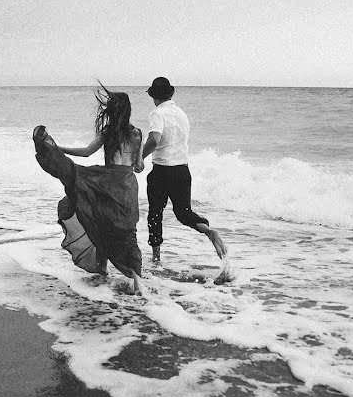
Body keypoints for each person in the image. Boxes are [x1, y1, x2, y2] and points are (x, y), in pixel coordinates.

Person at [32, 85, 145, 295]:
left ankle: (102, 271)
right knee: (129, 232)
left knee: (98, 221)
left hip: (104, 183)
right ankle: (139, 283)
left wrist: (57, 149)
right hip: (127, 186)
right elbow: (139, 166)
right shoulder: (137, 133)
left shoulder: (107, 132)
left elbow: (85, 153)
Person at [142, 77, 231, 279]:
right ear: (171, 94)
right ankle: (209, 231)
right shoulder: (182, 114)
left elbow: (154, 140)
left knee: (155, 213)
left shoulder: (157, 113)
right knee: (184, 213)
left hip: (162, 171)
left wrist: (139, 158)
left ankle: (156, 259)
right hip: (182, 171)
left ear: (154, 97)